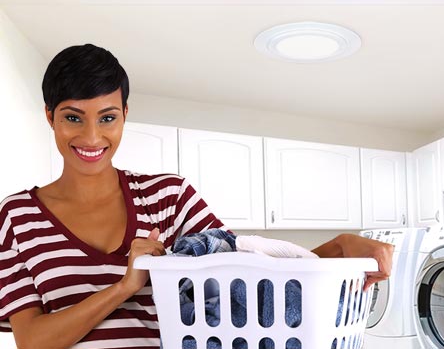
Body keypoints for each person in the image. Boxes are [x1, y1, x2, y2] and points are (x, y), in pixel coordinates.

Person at [0, 44, 393, 349]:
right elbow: (32, 339)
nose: (91, 137)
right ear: (49, 115)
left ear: (124, 115)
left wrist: (340, 249)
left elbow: (254, 290)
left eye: (107, 117)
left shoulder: (168, 196)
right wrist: (124, 287)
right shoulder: (17, 217)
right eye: (73, 117)